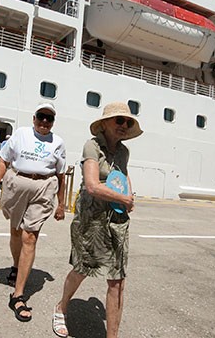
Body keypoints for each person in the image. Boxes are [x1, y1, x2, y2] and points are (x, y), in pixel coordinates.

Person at [52, 102, 143, 338]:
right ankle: (61, 308)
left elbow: (123, 175)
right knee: (83, 269)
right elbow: (92, 185)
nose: (124, 125)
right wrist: (123, 197)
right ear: (104, 124)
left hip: (117, 219)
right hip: (92, 218)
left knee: (117, 281)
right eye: (119, 120)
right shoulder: (92, 146)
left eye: (128, 122)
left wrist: (128, 197)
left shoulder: (123, 152)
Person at [0, 102, 66, 322]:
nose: (44, 122)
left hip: (43, 186)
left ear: (53, 122)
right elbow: (3, 162)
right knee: (15, 232)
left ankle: (18, 295)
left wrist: (61, 204)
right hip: (17, 183)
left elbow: (60, 175)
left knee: (29, 236)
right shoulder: (20, 134)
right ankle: (15, 265)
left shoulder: (58, 142)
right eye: (41, 117)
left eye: (48, 119)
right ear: (34, 118)